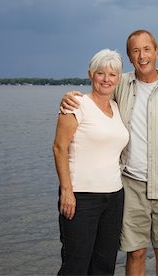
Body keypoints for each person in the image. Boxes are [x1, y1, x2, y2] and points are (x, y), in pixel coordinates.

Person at [60, 30, 158, 276]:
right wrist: (68, 97)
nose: (142, 56)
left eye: (147, 49)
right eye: (135, 51)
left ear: (157, 52)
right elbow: (96, 96)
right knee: (135, 251)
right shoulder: (121, 85)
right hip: (129, 184)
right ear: (130, 57)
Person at [53, 49, 129, 275]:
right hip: (81, 196)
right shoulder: (76, 104)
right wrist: (67, 191)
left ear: (118, 78)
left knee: (104, 265)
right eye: (100, 73)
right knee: (76, 264)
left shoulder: (116, 107)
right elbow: (59, 148)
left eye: (112, 74)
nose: (106, 79)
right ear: (90, 75)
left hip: (114, 196)